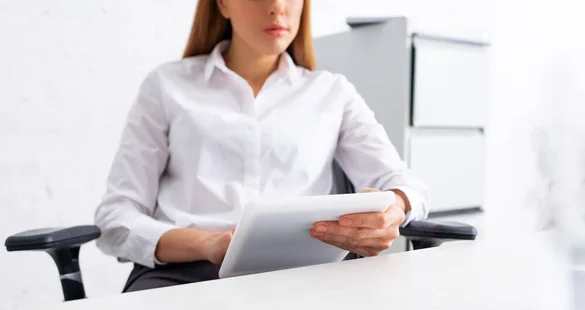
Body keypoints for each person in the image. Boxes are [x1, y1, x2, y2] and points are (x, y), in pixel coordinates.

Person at [94, 0, 431, 293]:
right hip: (183, 274)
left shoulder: (332, 92)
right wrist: (209, 244)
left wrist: (394, 209)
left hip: (305, 276)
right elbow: (116, 217)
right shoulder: (166, 86)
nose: (277, 7)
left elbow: (403, 183)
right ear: (222, 4)